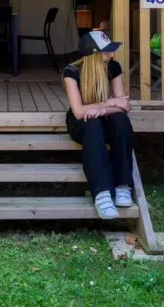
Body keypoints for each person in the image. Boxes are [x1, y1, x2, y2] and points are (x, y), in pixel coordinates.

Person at [62, 29, 134, 220]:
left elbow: (124, 105)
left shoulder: (114, 67)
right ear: (93, 55)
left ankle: (122, 186)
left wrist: (102, 110)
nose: (111, 54)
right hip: (81, 122)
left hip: (106, 117)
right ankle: (101, 194)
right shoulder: (72, 72)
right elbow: (78, 111)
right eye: (106, 51)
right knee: (93, 126)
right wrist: (108, 103)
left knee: (121, 120)